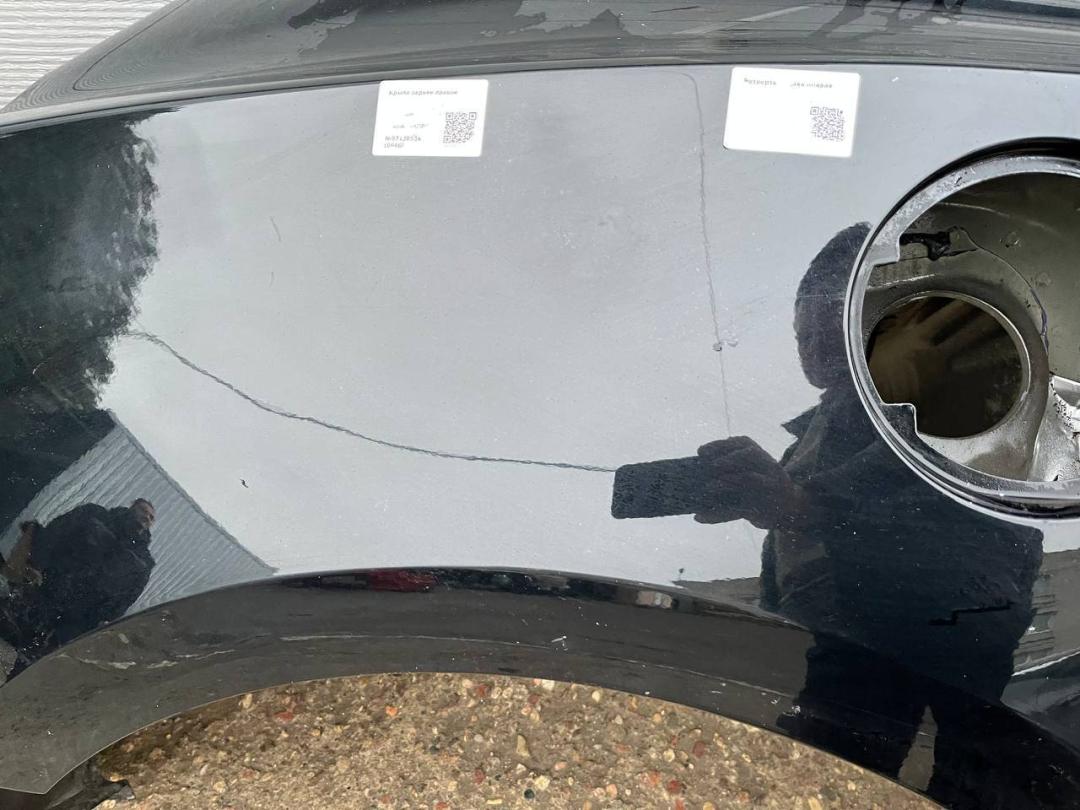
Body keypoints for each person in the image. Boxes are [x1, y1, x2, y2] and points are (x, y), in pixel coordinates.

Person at [614, 225, 1042, 806]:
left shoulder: (928, 399)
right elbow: (794, 532)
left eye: (828, 324)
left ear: (880, 320)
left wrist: (801, 505)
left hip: (944, 626)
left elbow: (945, 499)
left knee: (974, 771)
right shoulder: (809, 435)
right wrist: (778, 597)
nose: (811, 345)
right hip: (841, 638)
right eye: (802, 332)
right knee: (828, 772)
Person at [13, 499, 156, 664]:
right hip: (41, 591)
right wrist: (35, 566)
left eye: (151, 517)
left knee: (30, 664)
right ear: (132, 507)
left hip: (71, 623)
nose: (147, 517)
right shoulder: (93, 514)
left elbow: (124, 601)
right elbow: (56, 531)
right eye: (144, 510)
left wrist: (94, 626)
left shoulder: (143, 563)